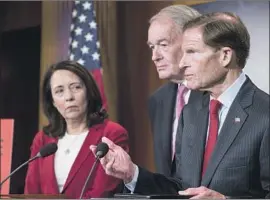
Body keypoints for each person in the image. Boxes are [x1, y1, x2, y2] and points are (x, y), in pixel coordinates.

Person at [90, 12, 270, 199]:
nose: (183, 63)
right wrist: (131, 173)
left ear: (225, 56)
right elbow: (181, 188)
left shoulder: (264, 115)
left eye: (192, 52)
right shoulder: (191, 113)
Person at [24, 60, 129, 199]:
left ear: (88, 91)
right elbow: (31, 194)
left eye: (76, 87)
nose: (69, 97)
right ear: (53, 102)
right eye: (59, 91)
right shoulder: (43, 140)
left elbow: (102, 194)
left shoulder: (111, 134)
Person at [147, 5, 202, 176]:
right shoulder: (158, 100)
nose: (155, 56)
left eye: (163, 44)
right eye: (152, 47)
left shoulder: (215, 94)